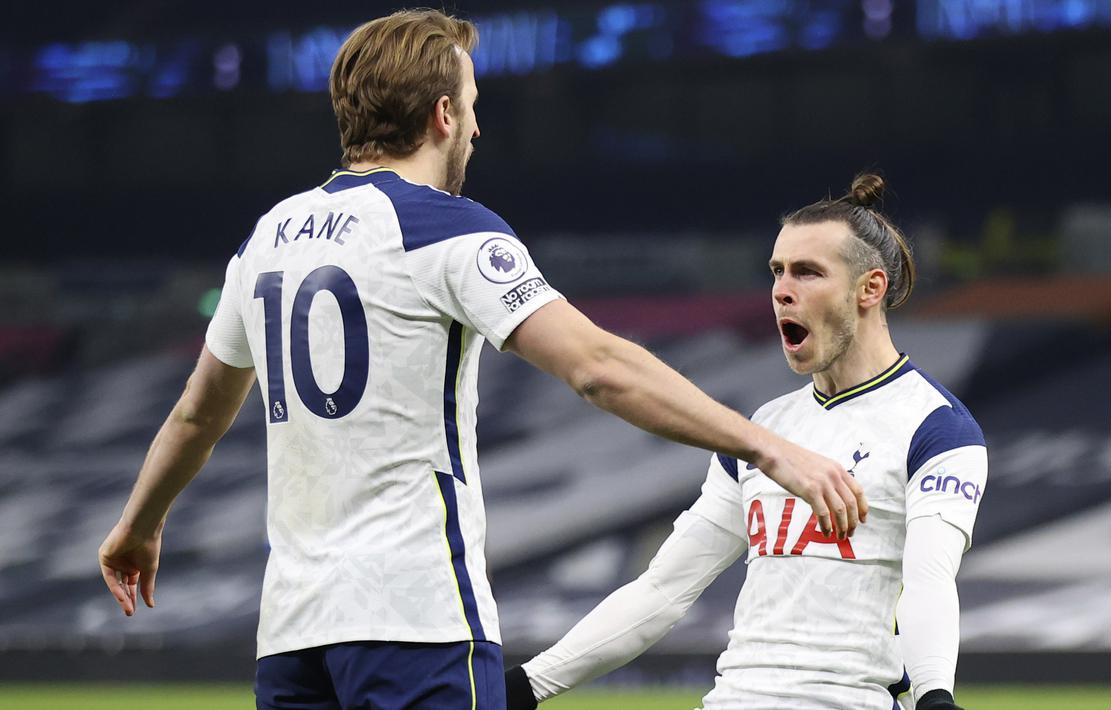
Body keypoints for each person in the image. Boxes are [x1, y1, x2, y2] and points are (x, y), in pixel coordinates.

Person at [96, 10, 868, 710]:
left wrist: (138, 523)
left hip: (294, 638)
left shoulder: (266, 238)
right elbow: (597, 366)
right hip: (414, 620)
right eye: (471, 105)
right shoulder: (444, 227)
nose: (475, 129)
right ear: (442, 114)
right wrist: (766, 447)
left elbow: (197, 413)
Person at [505, 173, 987, 710]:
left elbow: (929, 581)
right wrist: (523, 686)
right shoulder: (766, 429)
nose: (782, 290)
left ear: (869, 289)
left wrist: (935, 697)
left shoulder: (937, 428)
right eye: (777, 271)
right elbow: (664, 589)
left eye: (807, 272)